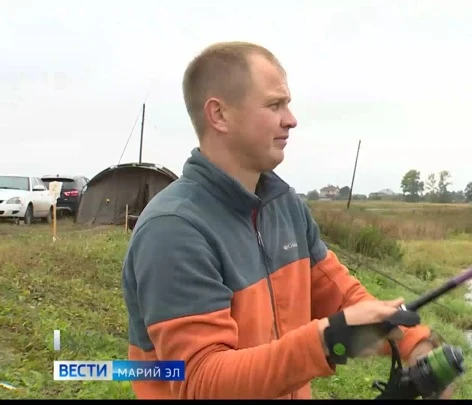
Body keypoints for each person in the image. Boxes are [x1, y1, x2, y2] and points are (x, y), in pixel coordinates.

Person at [120, 41, 452, 400]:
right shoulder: (174, 229)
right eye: (274, 105)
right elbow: (201, 381)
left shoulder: (285, 206)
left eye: (288, 105)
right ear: (219, 115)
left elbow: (340, 296)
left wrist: (414, 343)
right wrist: (327, 340)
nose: (290, 119)